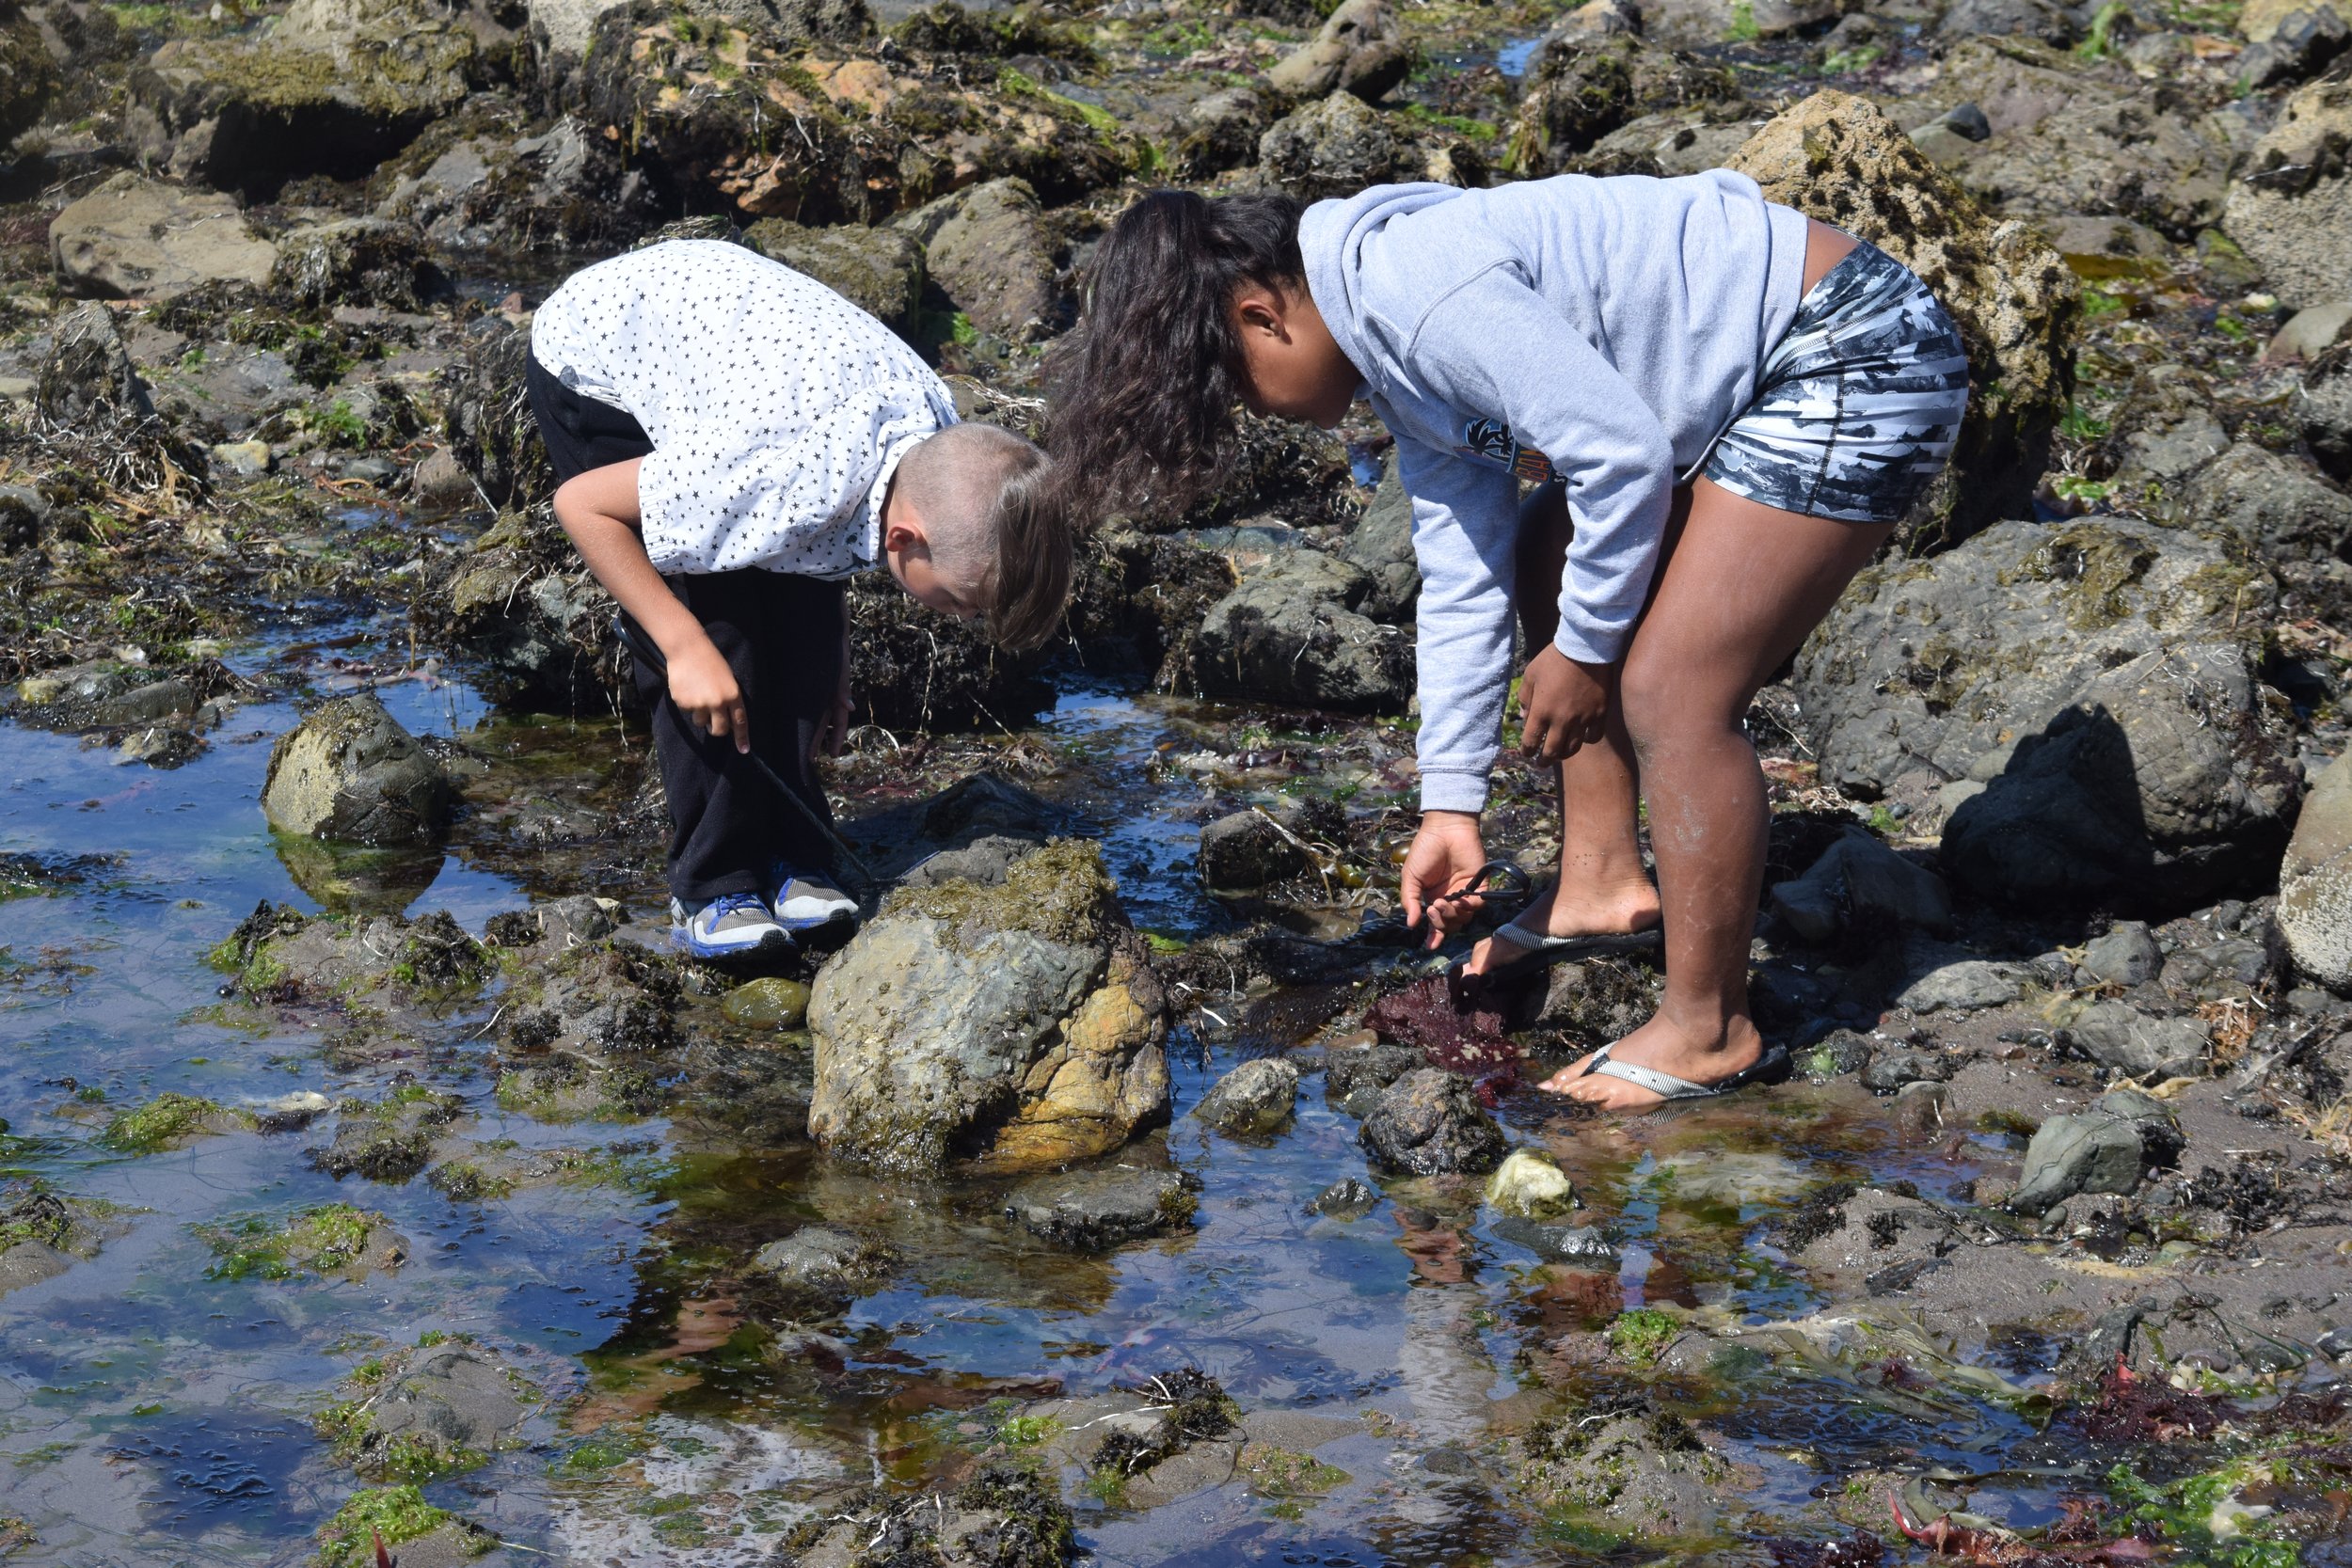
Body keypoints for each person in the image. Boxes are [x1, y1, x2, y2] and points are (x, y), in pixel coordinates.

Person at [1047, 175, 1968, 1110]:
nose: (1260, 413)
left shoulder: (1418, 296)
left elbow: (1620, 457)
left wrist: (1586, 651)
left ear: (1261, 314)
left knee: (1671, 691)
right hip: (1767, 369)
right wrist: (1449, 804)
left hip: (1854, 350)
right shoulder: (1390, 354)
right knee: (1543, 546)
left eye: (1239, 391)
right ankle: (1601, 880)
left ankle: (1710, 1027)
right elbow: (1462, 579)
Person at [531, 239, 1072, 960]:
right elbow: (583, 507)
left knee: (803, 636)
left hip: (736, 360)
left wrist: (834, 667)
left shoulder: (934, 438)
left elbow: (825, 544)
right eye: (967, 606)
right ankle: (712, 880)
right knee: (720, 633)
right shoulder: (774, 472)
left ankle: (794, 851)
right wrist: (679, 643)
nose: (965, 622)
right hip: (600, 358)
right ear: (908, 540)